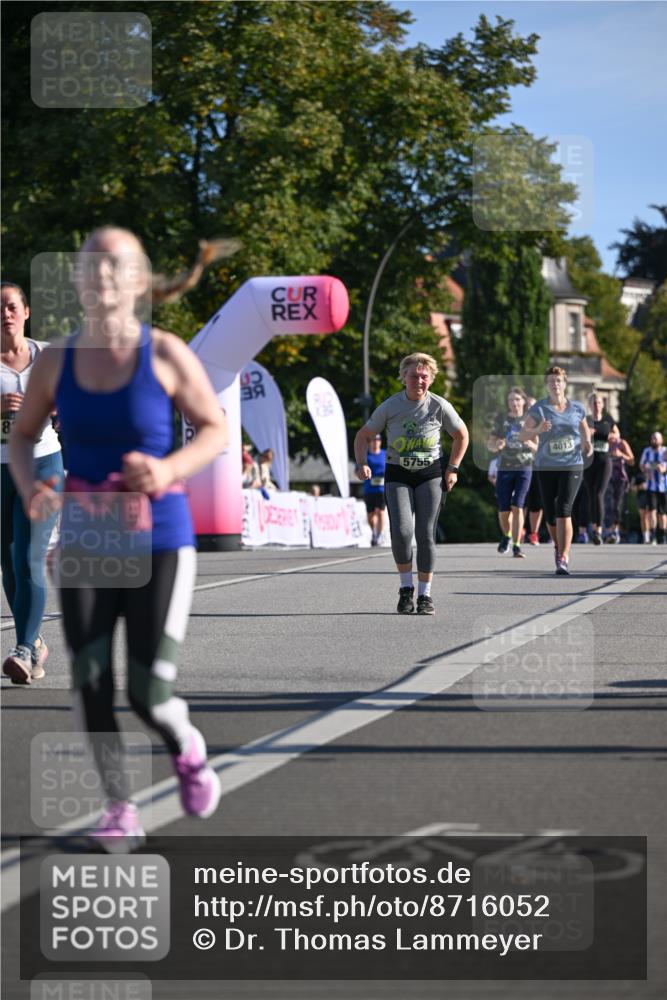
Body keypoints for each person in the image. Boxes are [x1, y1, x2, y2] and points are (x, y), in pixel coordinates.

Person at [9, 227, 229, 849]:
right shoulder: (56, 361)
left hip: (159, 539)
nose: (101, 274)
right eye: (90, 264)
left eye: (115, 264)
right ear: (77, 280)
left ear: (137, 280)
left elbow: (214, 428)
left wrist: (167, 469)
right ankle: (118, 807)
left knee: (148, 691)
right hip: (85, 538)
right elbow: (23, 436)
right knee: (90, 680)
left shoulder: (165, 353)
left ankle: (185, 744)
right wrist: (32, 487)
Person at [353, 352, 468, 615]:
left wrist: (453, 468)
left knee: (425, 534)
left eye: (424, 376)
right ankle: (406, 589)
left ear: (432, 379)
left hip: (430, 474)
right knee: (403, 531)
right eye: (414, 376)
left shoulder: (439, 405)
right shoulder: (391, 406)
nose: (419, 380)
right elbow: (363, 435)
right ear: (403, 378)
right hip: (398, 474)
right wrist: (361, 463)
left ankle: (425, 595)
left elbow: (461, 435)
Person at [2, 282, 64, 684]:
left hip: (43, 463)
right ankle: (36, 643)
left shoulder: (48, 355)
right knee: (8, 562)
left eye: (11, 306)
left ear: (26, 311)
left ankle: (23, 649)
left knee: (29, 557)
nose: (5, 314)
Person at [519, 366, 592, 575]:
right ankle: (558, 546)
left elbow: (584, 427)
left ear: (565, 384)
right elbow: (522, 436)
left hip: (572, 463)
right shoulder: (539, 409)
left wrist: (587, 442)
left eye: (558, 380)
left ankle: (564, 557)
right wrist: (537, 430)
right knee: (551, 514)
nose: (555, 384)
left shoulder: (577, 408)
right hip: (546, 465)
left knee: (564, 507)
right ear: (546, 385)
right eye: (551, 381)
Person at [487, 386, 536, 559]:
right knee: (504, 509)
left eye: (517, 399)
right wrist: (497, 445)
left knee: (518, 506)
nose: (514, 403)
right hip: (505, 467)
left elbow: (538, 447)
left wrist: (531, 445)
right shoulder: (501, 420)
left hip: (524, 467)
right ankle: (507, 536)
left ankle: (517, 545)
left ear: (523, 401)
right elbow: (490, 444)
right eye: (510, 400)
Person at [583, 392, 617, 545]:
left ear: (602, 405)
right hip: (589, 461)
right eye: (593, 402)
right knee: (591, 495)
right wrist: (586, 434)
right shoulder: (586, 420)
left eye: (598, 402)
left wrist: (608, 436)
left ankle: (599, 530)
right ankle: (594, 527)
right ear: (589, 405)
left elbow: (617, 435)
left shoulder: (608, 420)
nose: (596, 405)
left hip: (604, 460)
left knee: (599, 493)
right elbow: (578, 435)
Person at [605, 429, 634, 543]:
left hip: (620, 478)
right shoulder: (603, 443)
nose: (611, 434)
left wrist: (621, 454)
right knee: (607, 505)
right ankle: (608, 531)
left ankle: (615, 530)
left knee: (617, 505)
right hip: (606, 478)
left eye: (613, 432)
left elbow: (632, 461)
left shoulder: (621, 443)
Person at [639, 430, 667, 544]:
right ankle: (653, 535)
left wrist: (663, 469)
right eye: (652, 438)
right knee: (652, 511)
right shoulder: (647, 451)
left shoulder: (665, 451)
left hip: (664, 487)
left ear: (661, 440)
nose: (654, 440)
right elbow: (641, 465)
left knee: (662, 513)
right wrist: (646, 469)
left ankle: (663, 536)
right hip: (651, 487)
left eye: (656, 438)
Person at [363, 433, 387, 546]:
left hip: (382, 489)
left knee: (380, 512)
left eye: (377, 440)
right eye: (373, 440)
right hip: (369, 490)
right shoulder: (365, 455)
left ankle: (380, 535)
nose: (375, 442)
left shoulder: (385, 454)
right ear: (369, 442)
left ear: (380, 442)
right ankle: (374, 531)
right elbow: (357, 470)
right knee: (371, 516)